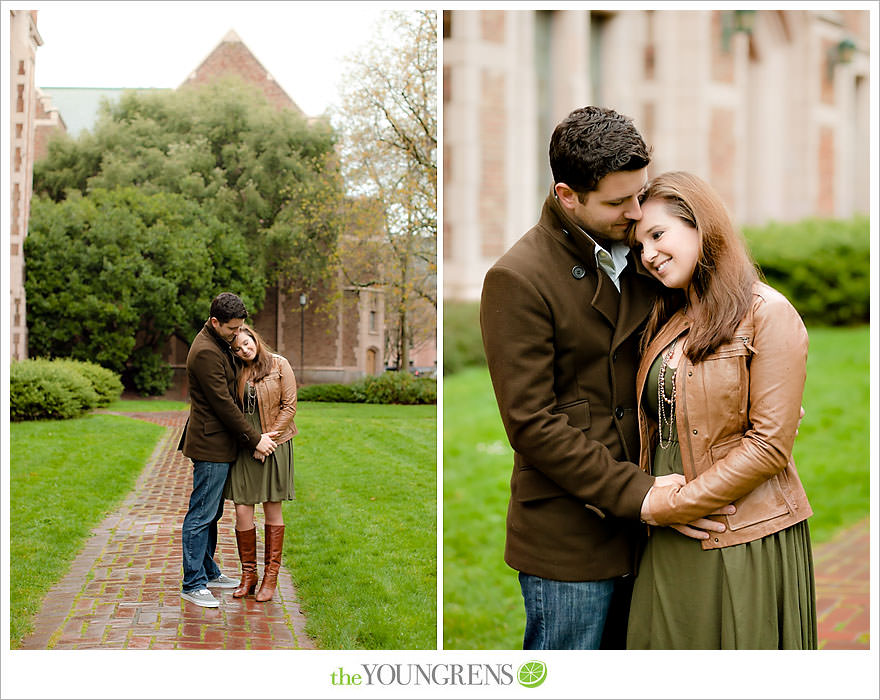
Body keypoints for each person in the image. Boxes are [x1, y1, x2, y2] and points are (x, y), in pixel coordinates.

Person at [480, 106, 728, 650]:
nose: (636, 212)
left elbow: (703, 337)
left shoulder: (648, 254)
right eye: (618, 202)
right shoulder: (517, 279)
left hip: (657, 526)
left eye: (639, 194)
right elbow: (532, 424)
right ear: (568, 195)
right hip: (571, 538)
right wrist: (640, 495)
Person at [627, 171, 816, 649]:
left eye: (657, 234)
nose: (648, 254)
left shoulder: (767, 313)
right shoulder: (668, 318)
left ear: (701, 225)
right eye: (639, 245)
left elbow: (770, 445)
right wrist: (656, 507)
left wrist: (675, 506)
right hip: (665, 534)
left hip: (740, 534)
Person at [180, 293, 279, 608]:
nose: (238, 334)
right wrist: (254, 439)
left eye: (241, 327)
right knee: (201, 514)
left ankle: (208, 571)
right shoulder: (205, 352)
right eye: (232, 329)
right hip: (211, 444)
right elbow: (224, 405)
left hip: (220, 443)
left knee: (212, 513)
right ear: (214, 322)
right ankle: (192, 583)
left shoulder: (219, 341)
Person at [225, 324, 298, 602]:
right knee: (242, 510)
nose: (244, 350)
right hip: (246, 446)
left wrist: (267, 440)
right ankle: (249, 574)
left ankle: (270, 578)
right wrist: (253, 441)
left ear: (255, 338)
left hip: (276, 445)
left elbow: (289, 407)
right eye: (238, 348)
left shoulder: (280, 365)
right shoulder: (237, 371)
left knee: (271, 510)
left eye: (247, 343)